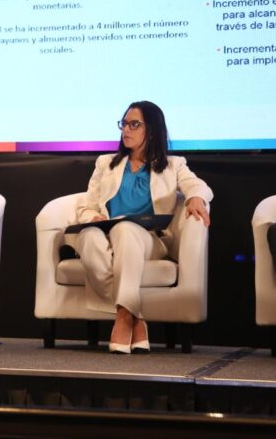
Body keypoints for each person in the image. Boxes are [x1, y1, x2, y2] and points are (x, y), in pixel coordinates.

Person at [74, 101, 212, 354]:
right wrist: (93, 217)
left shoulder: (173, 165)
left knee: (125, 229)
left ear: (152, 130)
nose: (126, 130)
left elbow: (199, 186)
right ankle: (133, 315)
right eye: (124, 124)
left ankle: (123, 319)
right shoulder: (105, 163)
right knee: (88, 237)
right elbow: (86, 206)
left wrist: (195, 197)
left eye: (134, 124)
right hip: (106, 234)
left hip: (148, 240)